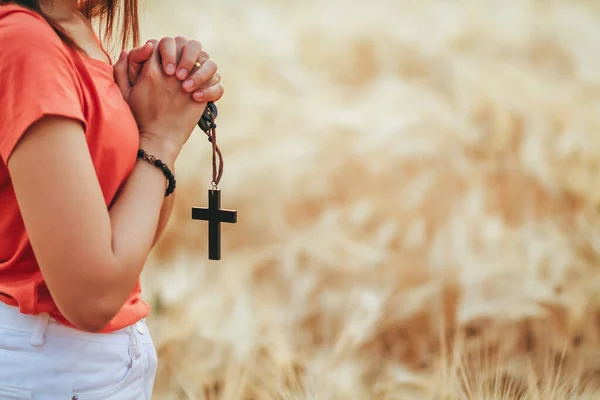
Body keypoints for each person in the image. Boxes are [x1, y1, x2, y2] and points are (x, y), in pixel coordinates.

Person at [0, 0, 224, 398]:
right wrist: (159, 141)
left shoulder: (70, 25)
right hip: (51, 370)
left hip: (82, 365)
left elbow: (130, 244)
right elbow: (92, 298)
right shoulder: (27, 43)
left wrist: (145, 124)